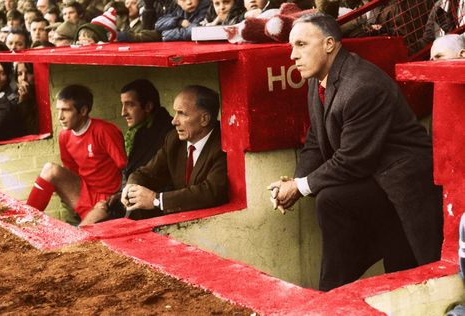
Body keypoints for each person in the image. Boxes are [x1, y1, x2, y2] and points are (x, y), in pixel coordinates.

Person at [269, 12, 443, 291]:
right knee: (329, 198)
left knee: (330, 199)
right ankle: (334, 289)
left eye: (301, 45)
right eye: (292, 46)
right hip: (373, 176)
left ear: (329, 44)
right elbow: (316, 139)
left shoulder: (361, 85)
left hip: (404, 185)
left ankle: (331, 290)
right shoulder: (317, 79)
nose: (292, 56)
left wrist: (300, 188)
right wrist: (295, 181)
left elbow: (352, 160)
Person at [120, 85, 228, 217]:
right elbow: (146, 173)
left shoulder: (224, 144)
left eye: (182, 113)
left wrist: (156, 200)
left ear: (204, 119)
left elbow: (211, 192)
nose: (174, 121)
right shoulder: (173, 140)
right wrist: (131, 188)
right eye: (175, 112)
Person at [26, 84, 127, 223]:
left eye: (66, 110)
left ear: (83, 110)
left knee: (81, 234)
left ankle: (90, 221)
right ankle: (26, 219)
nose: (60, 117)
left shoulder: (105, 131)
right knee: (50, 169)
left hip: (108, 199)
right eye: (59, 110)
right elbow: (71, 170)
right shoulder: (64, 136)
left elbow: (125, 168)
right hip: (85, 192)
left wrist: (115, 201)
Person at [81, 79, 174, 225]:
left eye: (130, 105)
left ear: (148, 106)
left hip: (151, 211)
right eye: (122, 105)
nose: (123, 112)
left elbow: (158, 179)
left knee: (96, 218)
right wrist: (120, 195)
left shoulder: (167, 133)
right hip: (132, 200)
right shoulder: (140, 131)